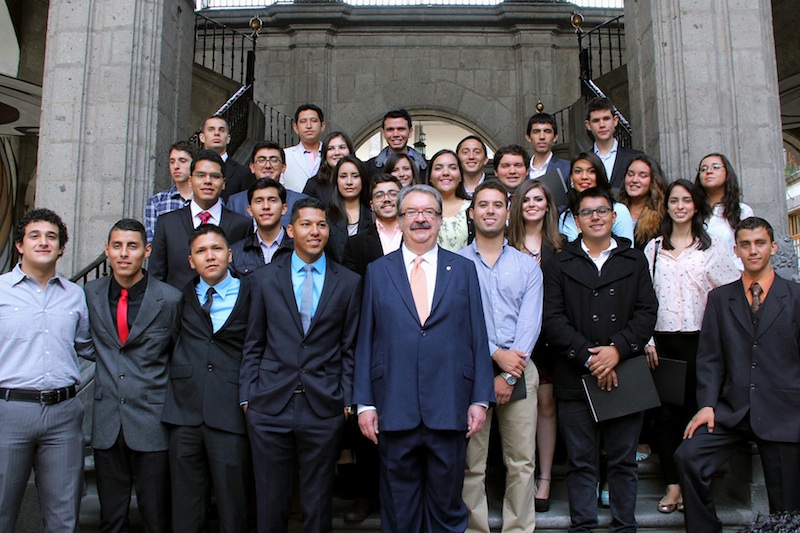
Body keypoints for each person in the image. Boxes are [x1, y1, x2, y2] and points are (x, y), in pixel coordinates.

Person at [353, 184, 495, 532]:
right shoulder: (377, 271)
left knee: (447, 509)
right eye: (412, 212)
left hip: (449, 405)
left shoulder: (463, 269)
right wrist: (364, 404)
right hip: (393, 407)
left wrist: (479, 399)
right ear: (399, 220)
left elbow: (477, 336)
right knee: (399, 511)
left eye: (428, 212)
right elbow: (366, 339)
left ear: (440, 219)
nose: (420, 219)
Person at [240, 197, 362, 533]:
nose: (315, 231)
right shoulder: (264, 279)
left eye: (322, 225)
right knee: (270, 503)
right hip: (268, 404)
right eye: (306, 224)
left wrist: (345, 400)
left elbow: (349, 346)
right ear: (290, 230)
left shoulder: (348, 282)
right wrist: (247, 396)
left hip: (324, 406)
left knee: (318, 504)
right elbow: (253, 342)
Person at [675, 217, 800, 533]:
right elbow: (710, 359)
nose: (753, 250)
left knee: (788, 509)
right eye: (745, 244)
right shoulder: (720, 299)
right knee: (688, 456)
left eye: (760, 243)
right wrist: (707, 405)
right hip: (733, 411)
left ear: (773, 247)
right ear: (736, 250)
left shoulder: (796, 297)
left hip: (784, 413)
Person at [544, 187, 657, 533]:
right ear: (576, 221)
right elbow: (552, 318)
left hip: (624, 372)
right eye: (587, 212)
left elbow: (647, 312)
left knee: (623, 460)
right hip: (575, 374)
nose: (595, 217)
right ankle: (583, 526)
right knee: (580, 460)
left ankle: (624, 526)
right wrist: (590, 357)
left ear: (613, 216)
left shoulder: (633, 259)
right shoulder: (559, 262)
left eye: (602, 211)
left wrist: (616, 351)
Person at [642, 179, 739, 515]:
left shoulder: (711, 248)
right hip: (663, 342)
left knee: (695, 411)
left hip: (701, 341)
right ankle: (672, 484)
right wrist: (647, 339)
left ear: (696, 205)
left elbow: (730, 294)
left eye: (686, 200)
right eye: (674, 200)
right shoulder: (653, 248)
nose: (680, 206)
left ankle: (692, 483)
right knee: (665, 416)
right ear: (666, 206)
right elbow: (643, 300)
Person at [85, 218, 182, 533]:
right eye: (117, 246)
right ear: (107, 250)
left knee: (156, 517)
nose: (124, 253)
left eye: (132, 246)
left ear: (147, 250)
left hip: (152, 421)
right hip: (107, 420)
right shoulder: (91, 293)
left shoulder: (169, 299)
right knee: (111, 519)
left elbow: (177, 356)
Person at [0, 208, 94, 533]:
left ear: (62, 247)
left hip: (64, 415)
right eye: (35, 236)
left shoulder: (75, 295)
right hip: (9, 411)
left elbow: (87, 345)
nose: (43, 242)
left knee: (64, 518)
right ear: (20, 245)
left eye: (51, 237)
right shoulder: (1, 291)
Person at [460, 181, 543, 533]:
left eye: (497, 205)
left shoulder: (527, 266)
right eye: (483, 204)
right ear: (472, 213)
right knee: (471, 463)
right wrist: (494, 353)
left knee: (521, 461)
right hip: (470, 369)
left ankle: (518, 529)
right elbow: (459, 321)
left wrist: (509, 373)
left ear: (508, 213)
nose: (490, 211)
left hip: (520, 367)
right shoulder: (456, 264)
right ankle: (473, 529)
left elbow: (531, 322)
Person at [161, 224, 252, 533]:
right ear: (191, 261)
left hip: (230, 411)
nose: (209, 256)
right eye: (201, 251)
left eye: (216, 249)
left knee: (233, 505)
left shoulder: (252, 292)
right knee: (186, 508)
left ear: (230, 254)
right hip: (184, 412)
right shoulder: (180, 298)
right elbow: (174, 343)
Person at [507, 179, 565, 512]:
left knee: (546, 406)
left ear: (547, 205)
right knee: (518, 410)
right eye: (526, 199)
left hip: (550, 339)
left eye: (538, 199)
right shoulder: (504, 244)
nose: (532, 204)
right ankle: (519, 479)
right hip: (514, 339)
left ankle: (545, 478)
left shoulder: (562, 246)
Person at [149, 149, 253, 289]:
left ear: (223, 183)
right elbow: (156, 277)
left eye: (214, 176)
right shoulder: (167, 223)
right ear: (190, 181)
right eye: (201, 175)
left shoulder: (242, 225)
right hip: (178, 301)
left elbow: (246, 275)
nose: (207, 181)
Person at [226, 141, 309, 228]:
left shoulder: (301, 201)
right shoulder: (236, 202)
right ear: (252, 167)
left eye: (274, 160)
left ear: (283, 167)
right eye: (261, 160)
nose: (268, 165)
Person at [693, 152, 755, 270]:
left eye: (716, 167)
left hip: (732, 275)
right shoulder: (692, 210)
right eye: (703, 169)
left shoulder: (742, 211)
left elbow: (748, 249)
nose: (709, 171)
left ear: (727, 172)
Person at [558, 152, 635, 243]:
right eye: (578, 171)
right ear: (571, 177)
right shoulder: (565, 216)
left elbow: (628, 248)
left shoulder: (619, 210)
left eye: (591, 171)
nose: (584, 177)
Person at [230, 178, 294, 276]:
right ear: (250, 210)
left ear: (284, 208)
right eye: (259, 201)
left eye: (272, 200)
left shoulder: (298, 249)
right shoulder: (236, 252)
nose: (266, 206)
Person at [343, 174, 403, 276]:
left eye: (393, 194)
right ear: (372, 205)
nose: (386, 199)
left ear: (403, 200)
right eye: (379, 196)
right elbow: (351, 282)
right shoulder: (355, 244)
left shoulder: (418, 234)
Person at [584, 97, 643, 192]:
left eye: (606, 119)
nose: (602, 125)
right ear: (588, 125)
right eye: (596, 120)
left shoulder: (635, 157)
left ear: (615, 120)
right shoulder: (583, 161)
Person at [144, 140, 196, 242]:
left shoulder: (205, 199)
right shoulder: (156, 202)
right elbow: (153, 243)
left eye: (182, 161)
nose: (176, 166)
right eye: (172, 161)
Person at [325, 155, 372, 263]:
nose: (349, 182)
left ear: (363, 179)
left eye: (355, 176)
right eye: (343, 176)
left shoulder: (373, 215)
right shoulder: (325, 216)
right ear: (336, 180)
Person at [616, 154, 667, 249]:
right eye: (630, 174)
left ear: (653, 180)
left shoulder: (663, 215)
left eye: (643, 175)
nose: (634, 180)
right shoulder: (614, 208)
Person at [198, 115, 253, 201]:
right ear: (202, 137)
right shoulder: (191, 169)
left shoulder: (243, 173)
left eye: (221, 130)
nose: (217, 133)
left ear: (228, 139)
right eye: (211, 129)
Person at [428, 149, 473, 252]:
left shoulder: (472, 208)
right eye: (438, 168)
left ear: (461, 176)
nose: (445, 173)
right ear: (430, 176)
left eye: (452, 168)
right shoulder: (419, 210)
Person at [365, 109, 427, 178]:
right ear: (383, 133)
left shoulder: (427, 168)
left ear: (410, 132)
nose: (395, 134)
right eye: (390, 129)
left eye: (401, 129)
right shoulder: (368, 168)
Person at [303, 131, 355, 208]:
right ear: (325, 154)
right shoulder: (313, 184)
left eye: (342, 147)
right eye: (331, 148)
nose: (337, 153)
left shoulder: (361, 181)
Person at [283, 103, 326, 193]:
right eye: (303, 121)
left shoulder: (332, 154)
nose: (308, 126)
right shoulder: (285, 155)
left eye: (314, 120)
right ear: (296, 128)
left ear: (322, 126)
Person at [525, 112, 570, 184]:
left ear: (555, 137)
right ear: (528, 137)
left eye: (547, 131)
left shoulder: (567, 168)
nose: (542, 137)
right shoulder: (522, 168)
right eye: (536, 132)